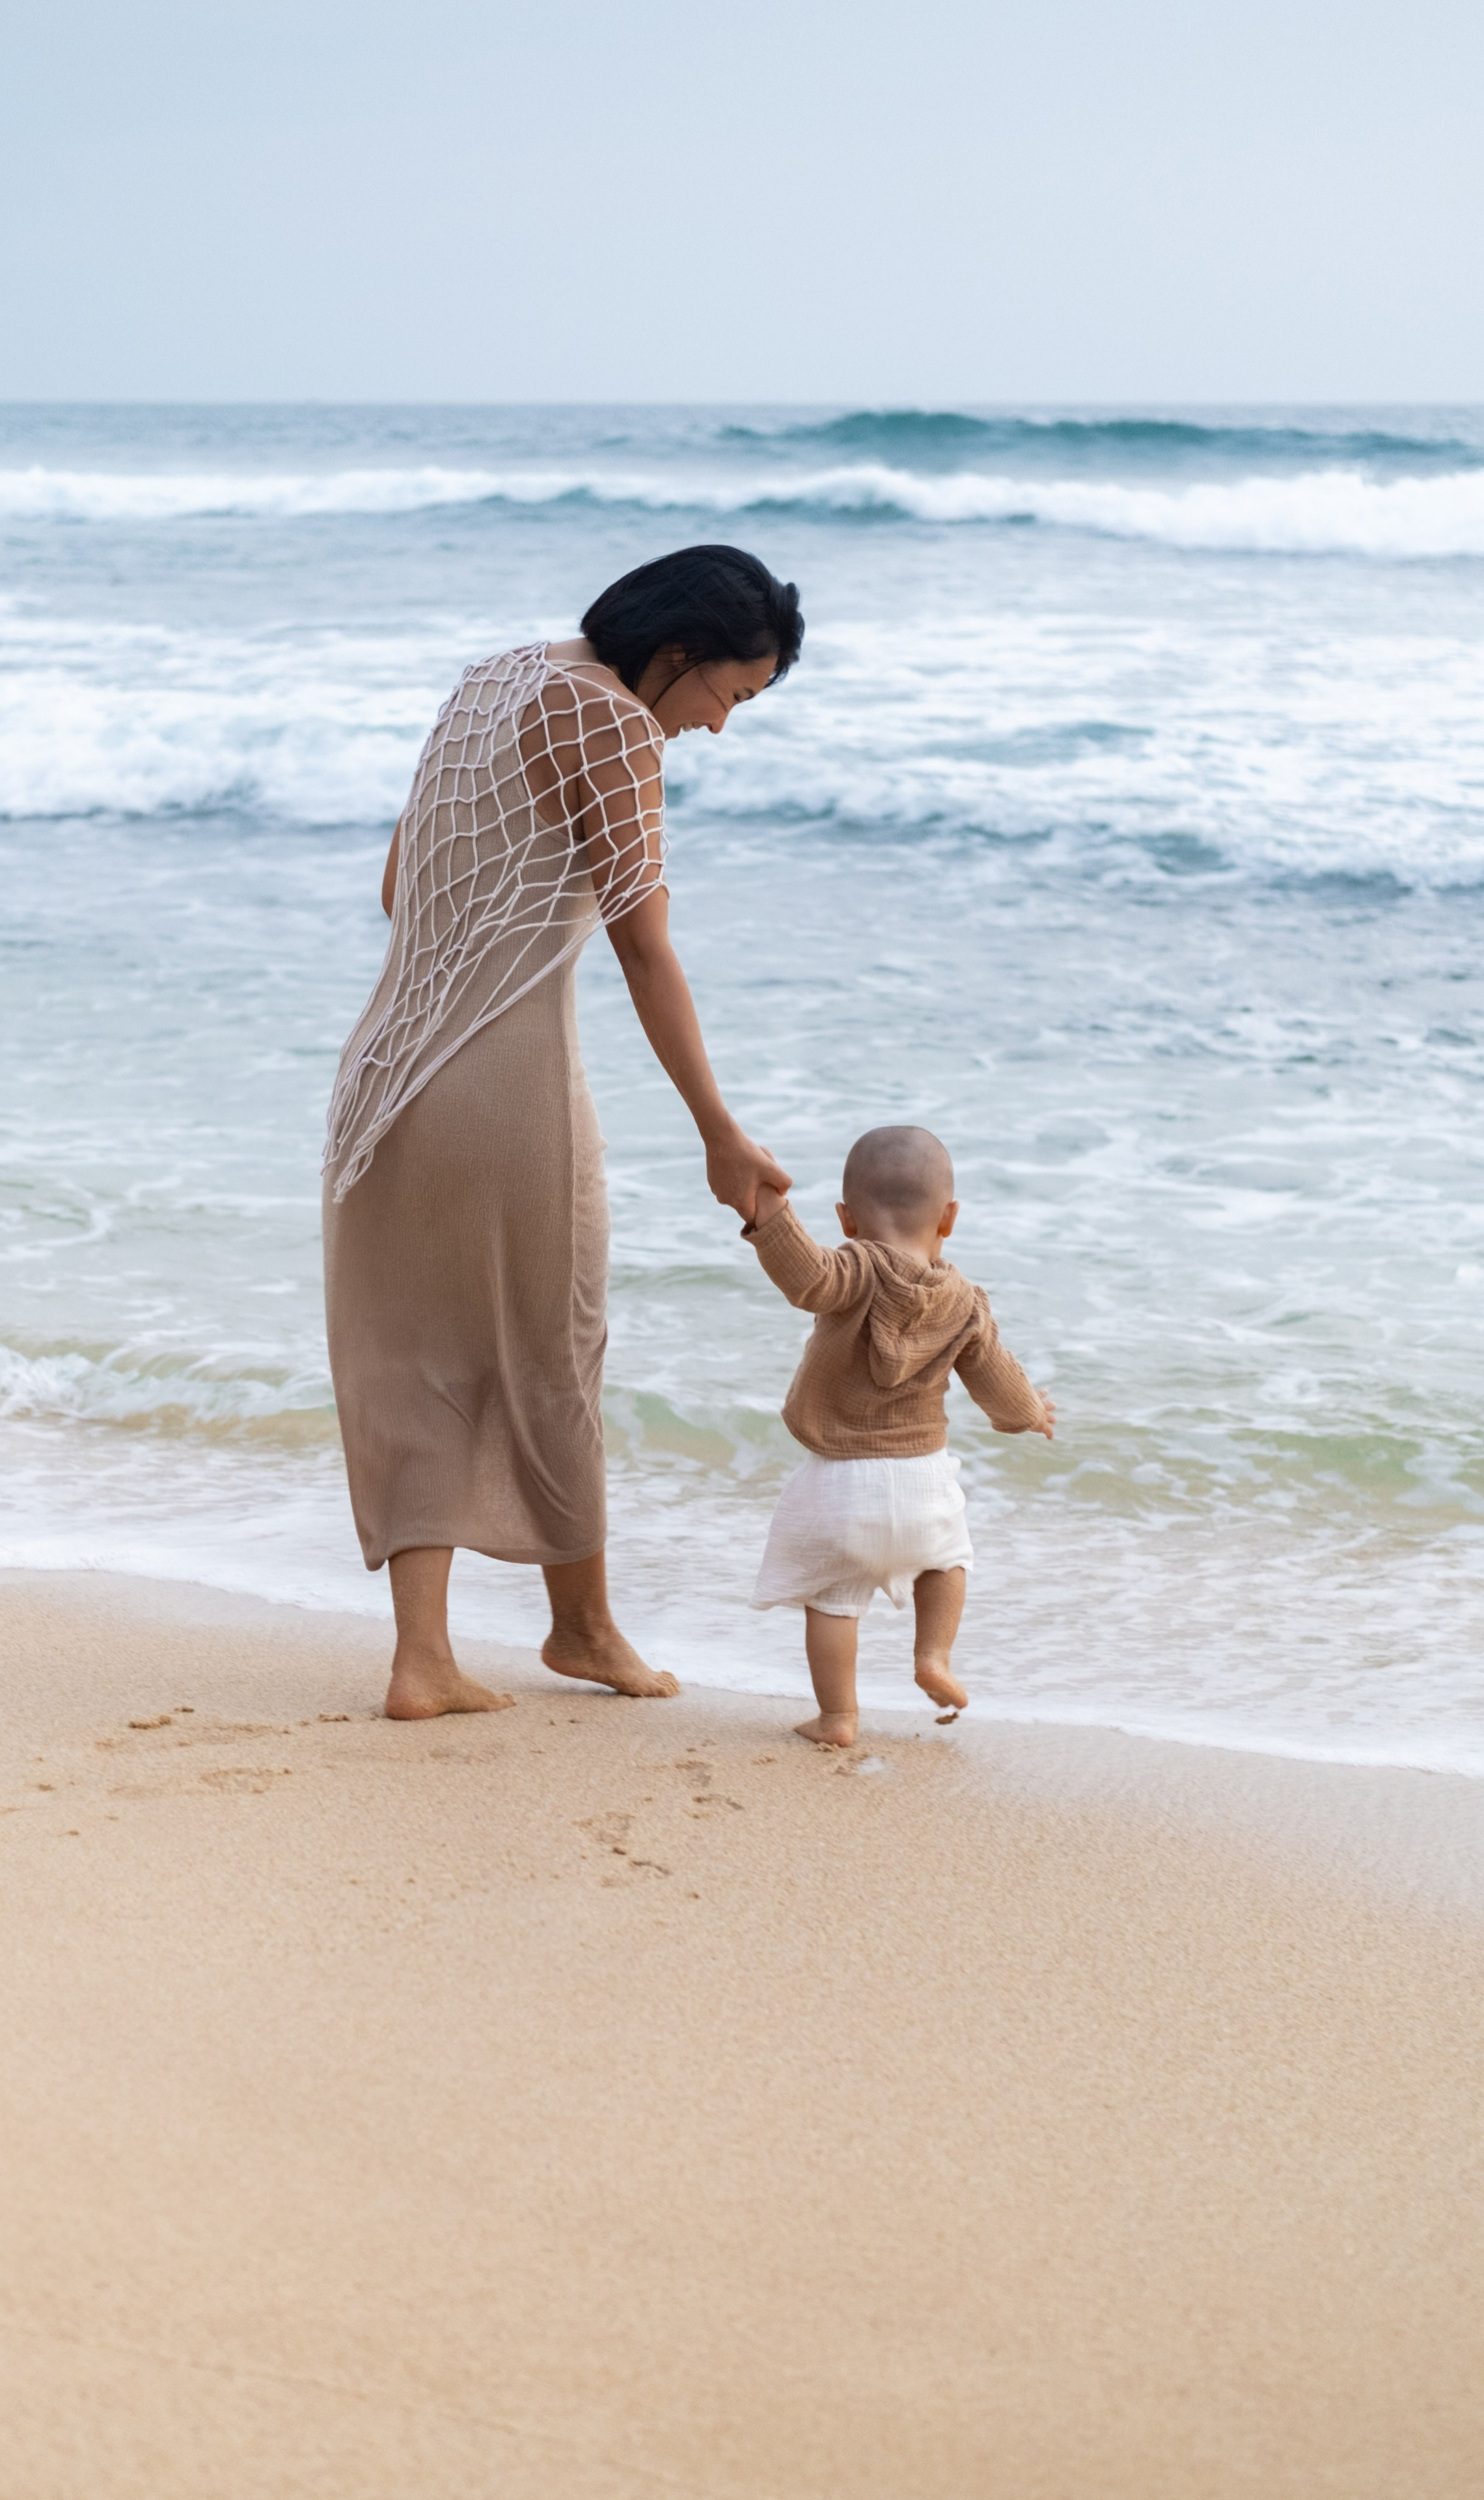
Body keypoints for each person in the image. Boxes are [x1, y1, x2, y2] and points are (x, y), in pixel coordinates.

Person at [323, 546, 801, 1719]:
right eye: (728, 697)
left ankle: (422, 1660)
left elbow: (400, 885)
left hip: (385, 1073)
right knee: (553, 1346)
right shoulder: (615, 724)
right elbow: (647, 946)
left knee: (419, 1361)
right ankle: (582, 1629)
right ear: (679, 655)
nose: (716, 727)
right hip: (502, 1086)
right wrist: (720, 1132)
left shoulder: (491, 680)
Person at [743, 1126, 1054, 1747]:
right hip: (925, 1478)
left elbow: (805, 1276)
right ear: (950, 1218)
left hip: (839, 1484)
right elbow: (996, 1375)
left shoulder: (854, 1270)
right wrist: (1028, 1414)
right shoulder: (965, 1301)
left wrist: (768, 1208)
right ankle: (933, 1655)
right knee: (948, 1560)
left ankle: (838, 1718)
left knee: (833, 1600)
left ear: (847, 1218)